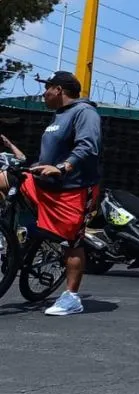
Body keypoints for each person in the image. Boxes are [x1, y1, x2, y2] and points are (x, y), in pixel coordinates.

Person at [0, 72, 102, 316]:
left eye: (47, 88)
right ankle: (6, 237)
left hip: (72, 191)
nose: (43, 93)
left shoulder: (85, 112)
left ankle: (71, 298)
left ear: (59, 89)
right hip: (43, 184)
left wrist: (63, 167)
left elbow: (89, 146)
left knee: (71, 243)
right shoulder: (58, 116)